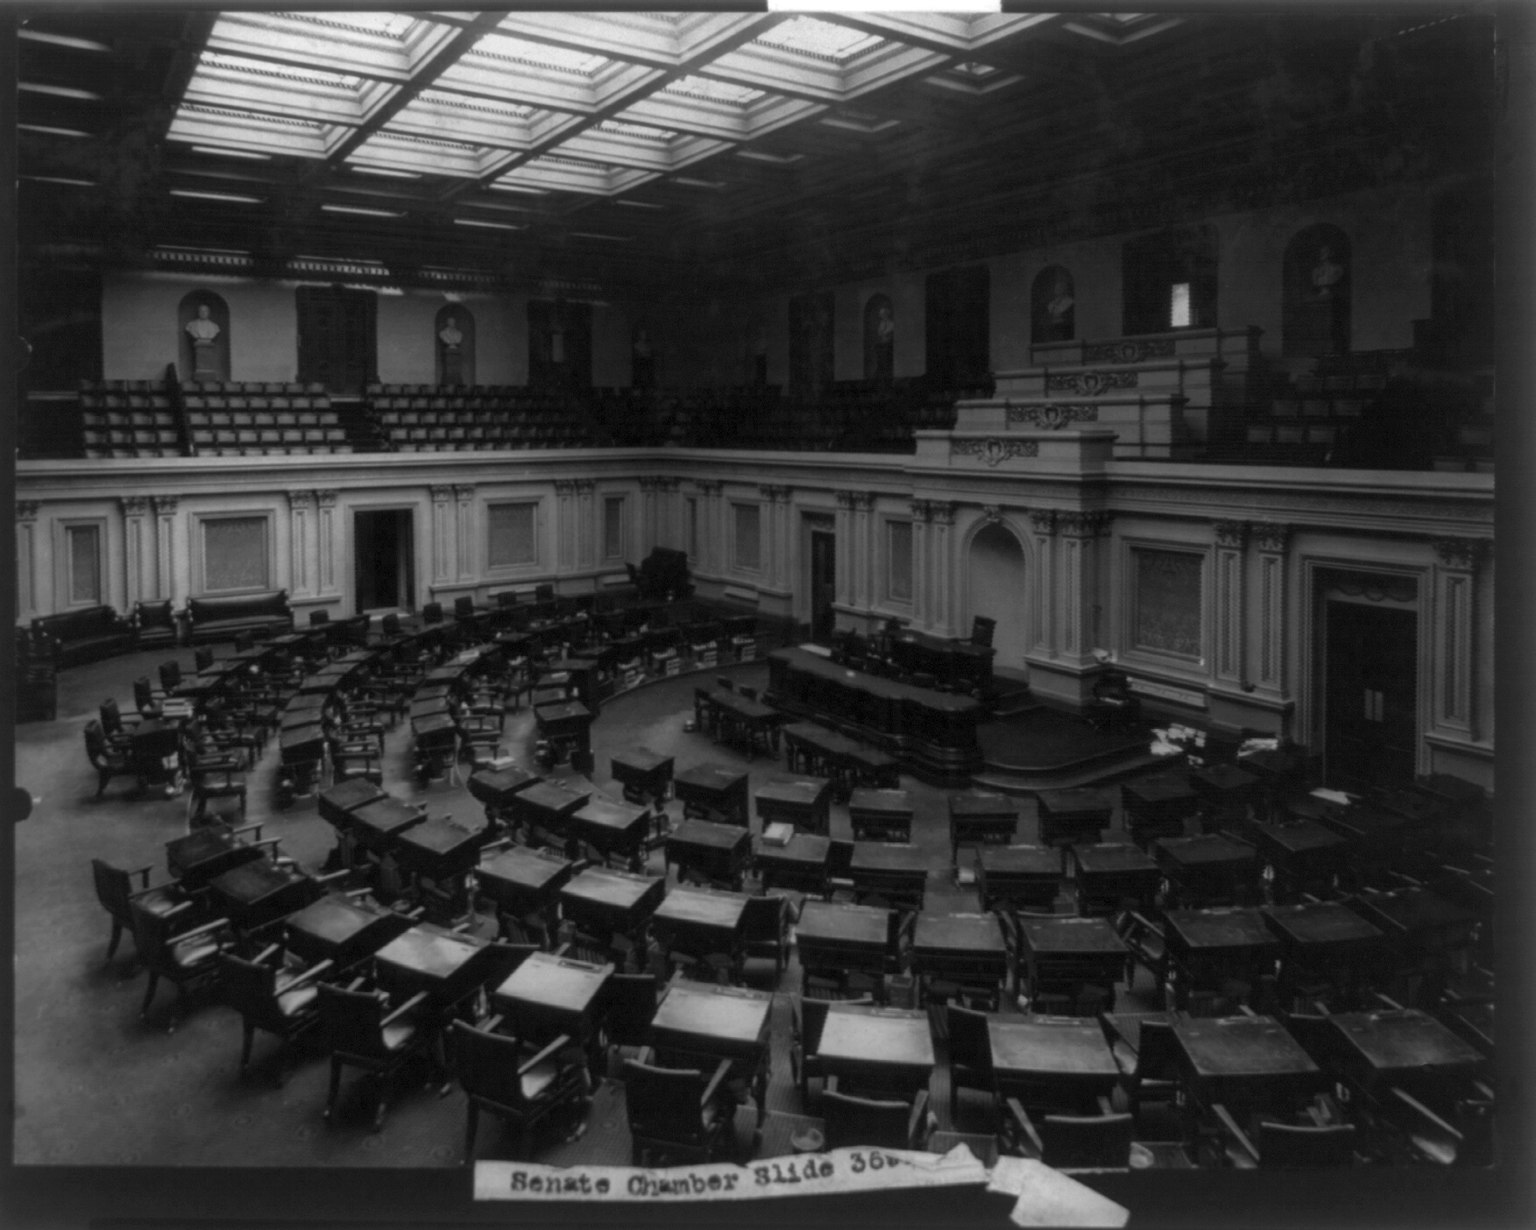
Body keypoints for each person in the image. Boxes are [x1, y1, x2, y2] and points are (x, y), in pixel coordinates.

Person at [185, 304, 220, 379]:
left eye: (205, 311)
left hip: (208, 343)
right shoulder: (191, 325)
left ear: (209, 313)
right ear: (198, 313)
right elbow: (189, 331)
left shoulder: (215, 327)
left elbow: (215, 333)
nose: (203, 313)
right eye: (201, 311)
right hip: (198, 344)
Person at [439, 315, 464, 385]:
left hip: (456, 352)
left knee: (456, 371)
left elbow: (458, 341)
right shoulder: (443, 333)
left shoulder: (459, 333)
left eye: (453, 322)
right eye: (450, 322)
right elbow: (445, 340)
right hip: (448, 352)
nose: (452, 323)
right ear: (447, 323)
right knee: (448, 371)